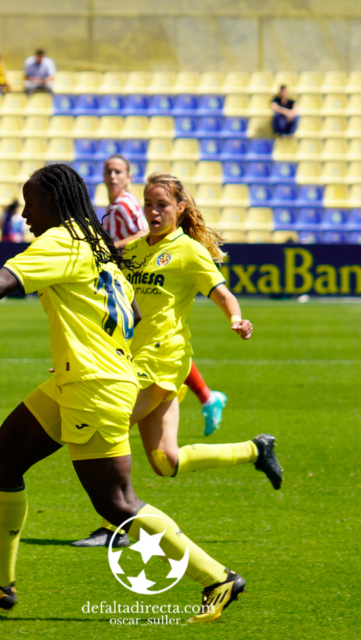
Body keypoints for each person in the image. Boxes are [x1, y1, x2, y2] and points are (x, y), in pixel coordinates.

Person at [0, 163, 247, 623]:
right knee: (5, 457)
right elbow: (133, 309)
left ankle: (218, 577)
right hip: (79, 378)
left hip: (94, 386)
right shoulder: (95, 243)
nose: (24, 214)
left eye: (30, 203)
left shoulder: (60, 241)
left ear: (54, 203)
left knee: (116, 504)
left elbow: (0, 286)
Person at [73, 173, 282, 550]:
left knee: (110, 427)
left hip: (163, 361)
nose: (153, 212)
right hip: (134, 359)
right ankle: (255, 450)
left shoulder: (188, 250)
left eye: (162, 205)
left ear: (180, 209)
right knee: (165, 462)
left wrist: (235, 318)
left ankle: (112, 525)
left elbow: (222, 294)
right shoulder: (134, 249)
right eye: (149, 205)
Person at [102, 154, 227, 436]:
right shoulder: (117, 207)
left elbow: (142, 238)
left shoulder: (126, 206)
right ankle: (208, 401)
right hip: (139, 332)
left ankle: (201, 395)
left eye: (118, 171)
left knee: (110, 427)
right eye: (108, 171)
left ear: (128, 176)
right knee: (165, 461)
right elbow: (141, 244)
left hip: (158, 352)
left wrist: (109, 250)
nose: (112, 177)